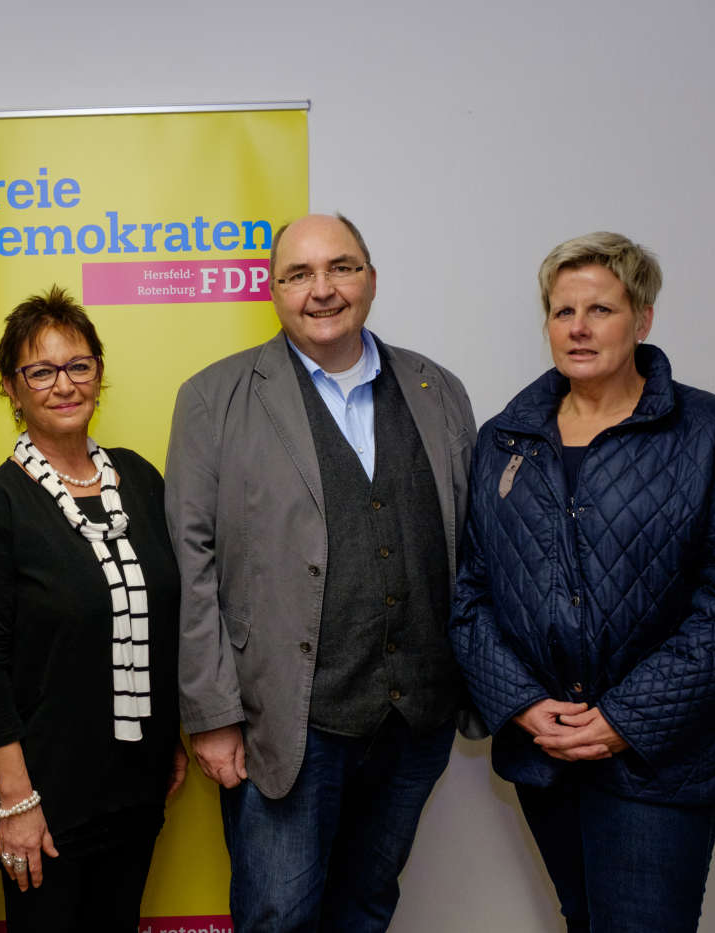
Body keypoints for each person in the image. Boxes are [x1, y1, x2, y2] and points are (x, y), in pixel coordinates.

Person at [450, 231, 715, 932]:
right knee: (583, 919)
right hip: (546, 755)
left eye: (600, 309)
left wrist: (624, 719)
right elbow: (471, 592)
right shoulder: (505, 439)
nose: (578, 327)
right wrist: (520, 703)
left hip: (666, 760)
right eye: (562, 311)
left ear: (643, 319)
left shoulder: (714, 431)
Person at [164, 213, 477, 931]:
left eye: (341, 267)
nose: (322, 289)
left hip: (414, 719)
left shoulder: (437, 389)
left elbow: (470, 544)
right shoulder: (213, 399)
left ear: (371, 278)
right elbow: (192, 564)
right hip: (286, 723)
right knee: (279, 916)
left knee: (365, 907)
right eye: (299, 274)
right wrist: (213, 716)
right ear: (273, 292)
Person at [0, 286, 186, 930]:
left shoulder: (141, 481)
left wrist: (170, 736)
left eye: (79, 365)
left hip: (136, 784)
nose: (64, 385)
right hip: (43, 800)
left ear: (99, 374)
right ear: (11, 387)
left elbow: (158, 623)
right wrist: (15, 800)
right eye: (41, 371)